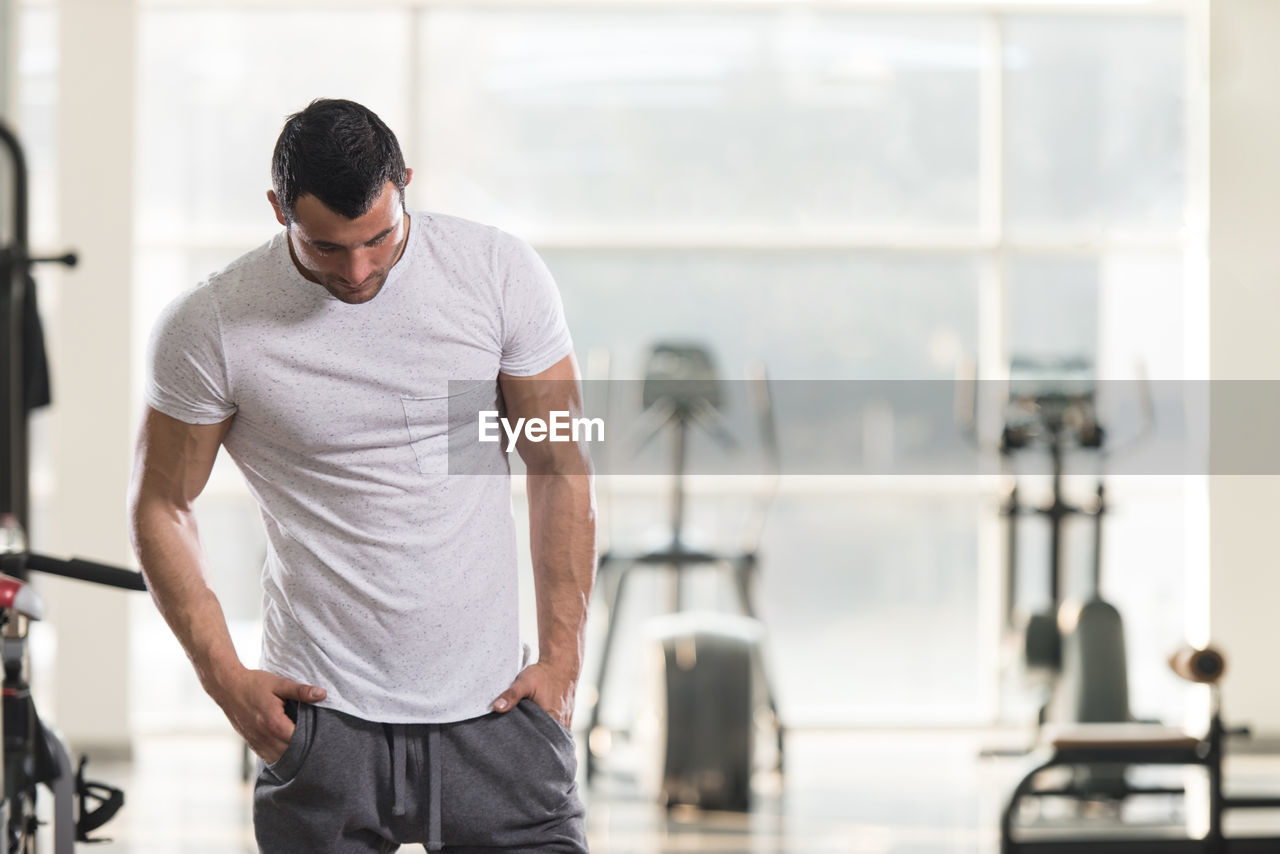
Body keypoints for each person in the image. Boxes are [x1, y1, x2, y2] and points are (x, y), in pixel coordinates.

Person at [127, 98, 596, 853]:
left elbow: (560, 462)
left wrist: (563, 662)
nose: (358, 270)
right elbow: (161, 503)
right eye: (326, 248)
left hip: (498, 716)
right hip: (321, 724)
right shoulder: (213, 324)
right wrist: (224, 677)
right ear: (278, 209)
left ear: (405, 183)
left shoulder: (499, 275)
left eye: (378, 238)